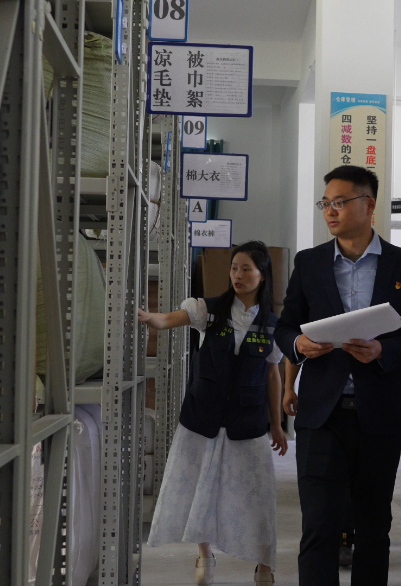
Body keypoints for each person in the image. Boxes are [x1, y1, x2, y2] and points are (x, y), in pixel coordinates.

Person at [275, 165, 401, 586]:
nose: (330, 211)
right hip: (321, 416)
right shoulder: (310, 263)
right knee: (319, 527)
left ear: (368, 205)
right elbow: (285, 326)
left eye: (340, 202)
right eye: (325, 203)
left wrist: (385, 350)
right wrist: (299, 344)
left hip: (378, 416)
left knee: (373, 528)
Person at [140, 241, 289, 586]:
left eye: (246, 269)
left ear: (263, 275)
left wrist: (277, 424)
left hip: (248, 422)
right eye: (234, 268)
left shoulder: (272, 325)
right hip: (202, 417)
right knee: (199, 487)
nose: (238, 275)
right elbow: (168, 319)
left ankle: (265, 565)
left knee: (257, 495)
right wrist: (150, 318)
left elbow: (272, 375)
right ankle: (205, 557)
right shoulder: (208, 310)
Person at [283, 363, 356, 569]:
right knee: (319, 495)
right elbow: (295, 347)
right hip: (320, 405)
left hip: (366, 406)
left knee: (350, 484)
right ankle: (324, 543)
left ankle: (345, 539)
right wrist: (289, 387)